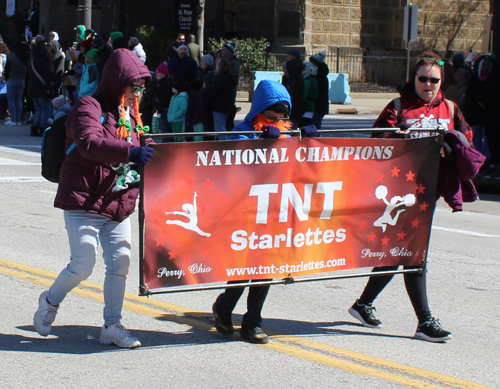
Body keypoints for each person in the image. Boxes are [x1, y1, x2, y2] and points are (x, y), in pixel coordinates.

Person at [348, 51, 474, 343]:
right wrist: (401, 138)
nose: (428, 84)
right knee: (413, 254)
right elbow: (375, 142)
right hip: (397, 192)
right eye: (423, 78)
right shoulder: (398, 106)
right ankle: (424, 321)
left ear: (442, 81)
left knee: (401, 252)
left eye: (434, 80)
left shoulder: (451, 108)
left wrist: (451, 147)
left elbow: (466, 140)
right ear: (413, 78)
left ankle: (362, 304)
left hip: (429, 193)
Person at [33, 49, 154, 348]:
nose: (136, 94)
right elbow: (89, 142)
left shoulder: (133, 114)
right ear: (118, 81)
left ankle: (113, 325)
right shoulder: (88, 106)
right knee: (83, 264)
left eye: (141, 89)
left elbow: (144, 139)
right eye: (133, 87)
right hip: (83, 198)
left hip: (118, 200)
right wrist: (131, 152)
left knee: (120, 263)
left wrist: (155, 148)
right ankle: (49, 302)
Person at [212, 80, 316, 344]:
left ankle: (253, 321)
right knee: (246, 264)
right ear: (260, 109)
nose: (277, 120)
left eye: (283, 117)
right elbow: (234, 164)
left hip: (275, 208)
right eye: (271, 115)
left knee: (266, 264)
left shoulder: (284, 132)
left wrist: (304, 137)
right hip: (246, 208)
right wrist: (260, 144)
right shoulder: (241, 131)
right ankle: (224, 307)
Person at [27, 37, 59, 136]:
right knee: (45, 108)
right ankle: (43, 128)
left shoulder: (31, 60)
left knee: (38, 109)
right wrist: (56, 78)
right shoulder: (42, 61)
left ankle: (35, 128)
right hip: (42, 88)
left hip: (32, 88)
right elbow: (47, 74)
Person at [206, 58, 236, 140]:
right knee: (223, 125)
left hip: (218, 106)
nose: (216, 67)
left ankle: (224, 144)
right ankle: (221, 141)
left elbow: (215, 92)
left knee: (219, 126)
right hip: (228, 106)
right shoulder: (231, 78)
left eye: (217, 65)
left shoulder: (219, 78)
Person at [5, 40, 30, 125]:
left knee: (11, 100)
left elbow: (7, 68)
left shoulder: (11, 56)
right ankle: (18, 119)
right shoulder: (25, 56)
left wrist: (7, 77)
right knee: (19, 100)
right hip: (21, 79)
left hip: (12, 79)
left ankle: (13, 119)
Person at [220, 41, 240, 131]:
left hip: (228, 96)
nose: (221, 52)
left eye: (223, 50)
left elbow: (231, 80)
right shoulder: (225, 62)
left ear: (229, 52)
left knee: (227, 122)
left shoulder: (233, 64)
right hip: (224, 96)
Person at [309, 51, 330, 131]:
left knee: (314, 129)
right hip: (320, 107)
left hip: (318, 107)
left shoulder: (318, 76)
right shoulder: (321, 75)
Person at [154, 62, 173, 141]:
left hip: (164, 110)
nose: (156, 75)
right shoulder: (163, 83)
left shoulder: (164, 83)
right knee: (165, 129)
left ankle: (166, 146)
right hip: (163, 109)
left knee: (165, 130)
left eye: (158, 73)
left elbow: (163, 98)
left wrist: (160, 110)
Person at [285, 56, 305, 128]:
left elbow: (291, 94)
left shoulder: (294, 79)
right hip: (297, 109)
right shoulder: (299, 77)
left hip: (293, 110)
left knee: (292, 127)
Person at [301, 61, 318, 127]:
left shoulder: (307, 81)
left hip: (306, 109)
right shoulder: (313, 80)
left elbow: (303, 96)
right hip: (311, 108)